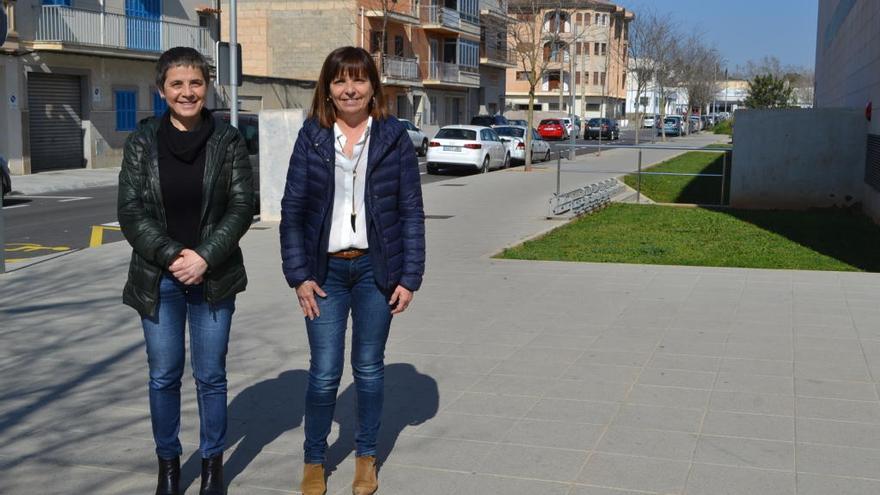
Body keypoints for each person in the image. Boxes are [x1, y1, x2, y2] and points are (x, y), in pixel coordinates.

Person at [280, 46, 425, 495]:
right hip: (323, 274)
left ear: (372, 87)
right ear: (328, 87)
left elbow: (410, 211)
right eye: (340, 80)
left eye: (359, 80)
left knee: (368, 368)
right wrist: (299, 275)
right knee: (324, 372)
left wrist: (409, 277)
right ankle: (314, 459)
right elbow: (293, 210)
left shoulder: (393, 137)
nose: (350, 89)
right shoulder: (313, 136)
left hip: (374, 272)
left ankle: (366, 457)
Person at [117, 46, 253, 495]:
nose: (187, 92)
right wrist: (175, 255)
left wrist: (205, 256)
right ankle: (169, 466)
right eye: (177, 84)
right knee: (164, 375)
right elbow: (131, 211)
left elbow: (241, 206)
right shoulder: (142, 142)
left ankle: (213, 466)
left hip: (213, 278)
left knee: (211, 376)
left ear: (207, 86)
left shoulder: (227, 140)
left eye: (195, 83)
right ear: (161, 90)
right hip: (158, 279)